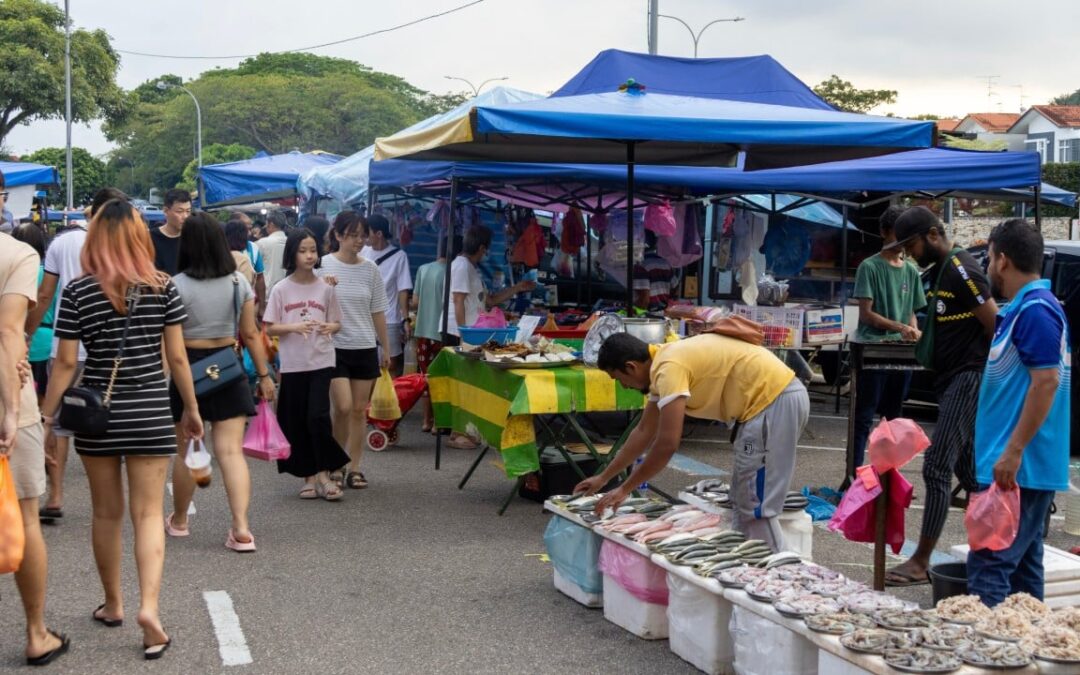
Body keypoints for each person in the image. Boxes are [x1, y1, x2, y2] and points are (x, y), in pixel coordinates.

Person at [40, 198, 203, 660]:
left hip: (98, 416)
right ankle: (149, 611)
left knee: (106, 513)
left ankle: (113, 603)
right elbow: (175, 358)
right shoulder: (162, 287)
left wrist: (47, 419)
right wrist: (190, 409)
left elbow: (68, 362)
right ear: (138, 237)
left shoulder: (77, 292)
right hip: (151, 410)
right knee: (149, 515)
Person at [576, 332, 809, 552]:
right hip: (764, 411)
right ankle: (747, 560)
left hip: (772, 406)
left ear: (631, 367)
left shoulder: (669, 368)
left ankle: (775, 572)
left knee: (755, 502)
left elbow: (667, 444)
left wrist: (625, 488)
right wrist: (604, 477)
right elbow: (644, 431)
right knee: (742, 494)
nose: (624, 386)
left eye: (619, 379)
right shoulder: (663, 362)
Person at [885, 206, 998, 587]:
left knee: (936, 465)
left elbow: (994, 323)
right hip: (950, 379)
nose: (908, 252)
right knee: (972, 475)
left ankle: (920, 561)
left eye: (911, 244)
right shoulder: (938, 272)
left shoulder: (961, 268)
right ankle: (998, 552)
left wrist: (984, 374)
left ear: (933, 234)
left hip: (968, 377)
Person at [967, 219, 1070, 606]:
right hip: (1016, 468)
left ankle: (993, 662)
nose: (989, 267)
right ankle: (1027, 659)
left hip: (1017, 471)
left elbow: (1046, 382)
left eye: (990, 258)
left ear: (1003, 260)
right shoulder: (1025, 308)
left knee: (990, 569)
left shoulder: (1037, 311)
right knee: (1025, 578)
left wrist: (1013, 450)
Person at [165, 213, 276, 551]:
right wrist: (265, 376)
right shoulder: (237, 283)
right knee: (230, 452)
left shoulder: (175, 285)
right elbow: (251, 334)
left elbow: (171, 350)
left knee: (188, 450)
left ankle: (180, 520)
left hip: (189, 369)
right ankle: (241, 528)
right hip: (228, 368)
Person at [26, 187, 128, 522]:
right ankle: (113, 491)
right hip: (111, 348)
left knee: (56, 419)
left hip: (67, 344)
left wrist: (27, 334)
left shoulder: (62, 243)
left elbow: (44, 296)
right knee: (109, 408)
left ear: (91, 211)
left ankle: (55, 495)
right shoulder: (126, 244)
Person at [0, 226, 69, 665]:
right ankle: (36, 633)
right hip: (8, 396)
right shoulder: (15, 254)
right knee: (25, 513)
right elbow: (9, 333)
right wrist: (9, 407)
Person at [263, 228, 349, 500]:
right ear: (292, 253)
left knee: (318, 416)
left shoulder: (326, 286)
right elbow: (269, 328)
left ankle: (324, 472)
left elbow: (337, 322)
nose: (310, 255)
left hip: (321, 361)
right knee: (298, 420)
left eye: (313, 250)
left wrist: (328, 326)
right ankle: (308, 477)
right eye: (303, 250)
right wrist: (293, 326)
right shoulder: (280, 288)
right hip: (292, 364)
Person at [848, 206, 926, 477]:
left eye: (906, 235)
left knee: (895, 421)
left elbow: (912, 312)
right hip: (872, 351)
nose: (902, 241)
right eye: (897, 234)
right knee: (863, 418)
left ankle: (889, 478)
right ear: (883, 233)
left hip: (902, 354)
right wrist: (900, 327)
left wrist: (912, 329)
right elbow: (866, 314)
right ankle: (856, 475)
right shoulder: (869, 267)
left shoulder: (912, 271)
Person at [443, 226, 535, 449]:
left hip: (472, 332)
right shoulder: (461, 266)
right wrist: (465, 333)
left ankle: (467, 430)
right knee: (462, 382)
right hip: (460, 333)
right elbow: (457, 300)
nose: (487, 254)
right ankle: (457, 433)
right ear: (482, 248)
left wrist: (517, 288)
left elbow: (490, 301)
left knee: (470, 382)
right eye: (486, 250)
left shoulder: (470, 268)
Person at [318, 211, 390, 490]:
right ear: (337, 235)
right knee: (344, 407)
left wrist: (385, 346)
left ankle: (354, 467)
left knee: (360, 410)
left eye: (363, 235)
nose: (360, 240)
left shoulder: (370, 268)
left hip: (364, 345)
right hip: (333, 347)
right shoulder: (322, 266)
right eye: (353, 235)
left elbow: (378, 311)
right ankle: (336, 462)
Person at [412, 234, 460, 432]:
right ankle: (439, 423)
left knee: (426, 376)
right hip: (444, 333)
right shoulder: (454, 272)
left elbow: (415, 302)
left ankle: (426, 421)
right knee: (442, 378)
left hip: (423, 331)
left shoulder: (423, 269)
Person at [360, 214, 412, 376]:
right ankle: (370, 398)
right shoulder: (362, 252)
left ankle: (389, 397)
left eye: (366, 233)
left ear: (379, 234)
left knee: (391, 362)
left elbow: (402, 290)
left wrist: (405, 319)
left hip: (389, 318)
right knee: (366, 361)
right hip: (364, 317)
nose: (363, 237)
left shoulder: (399, 256)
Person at [11, 223, 55, 405]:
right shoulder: (49, 276)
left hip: (14, 342)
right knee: (43, 398)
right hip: (47, 342)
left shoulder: (11, 272)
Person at [150, 189, 192, 276]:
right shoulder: (151, 238)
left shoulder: (193, 237)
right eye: (179, 211)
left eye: (188, 211)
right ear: (166, 211)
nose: (185, 216)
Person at [255, 210, 289, 296]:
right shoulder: (291, 241)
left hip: (267, 293)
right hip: (288, 291)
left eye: (266, 224)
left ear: (271, 224)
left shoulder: (261, 243)